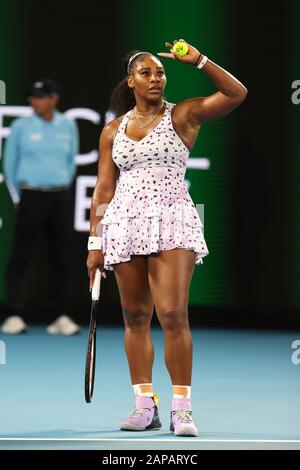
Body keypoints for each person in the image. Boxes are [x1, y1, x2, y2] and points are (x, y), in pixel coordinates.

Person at [86, 39, 247, 436]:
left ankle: (182, 408)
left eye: (160, 72)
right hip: (124, 223)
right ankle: (144, 405)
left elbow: (236, 93)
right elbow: (104, 190)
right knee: (135, 317)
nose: (156, 78)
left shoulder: (185, 115)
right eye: (147, 73)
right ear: (131, 81)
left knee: (173, 314)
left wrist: (200, 61)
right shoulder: (112, 130)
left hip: (173, 220)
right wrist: (95, 242)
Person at [1, 78, 81, 336]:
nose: (33, 101)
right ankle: (12, 313)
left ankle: (60, 315)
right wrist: (19, 197)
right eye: (32, 97)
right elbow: (9, 165)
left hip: (60, 196)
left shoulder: (68, 125)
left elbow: (71, 162)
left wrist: (62, 186)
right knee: (20, 256)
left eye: (39, 96)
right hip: (31, 195)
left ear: (53, 99)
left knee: (61, 257)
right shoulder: (21, 127)